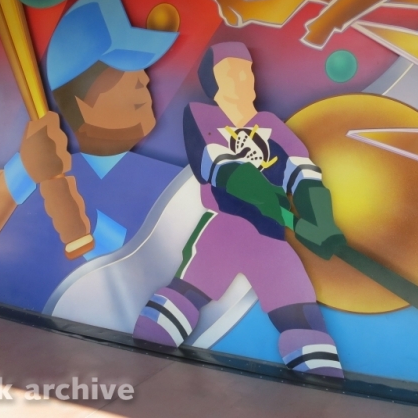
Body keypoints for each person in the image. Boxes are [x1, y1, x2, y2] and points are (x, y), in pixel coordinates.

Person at [133, 41, 347, 378]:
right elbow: (220, 165)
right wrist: (266, 198)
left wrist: (320, 222)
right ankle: (138, 362)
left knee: (301, 316)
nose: (243, 78)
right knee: (182, 299)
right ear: (214, 83)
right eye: (230, 72)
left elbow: (304, 173)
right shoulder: (203, 116)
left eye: (245, 70)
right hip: (224, 231)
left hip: (271, 240)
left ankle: (322, 383)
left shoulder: (272, 125)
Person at [0, 0, 182, 311]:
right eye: (123, 71)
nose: (144, 80)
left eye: (140, 68)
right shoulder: (24, 180)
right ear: (82, 103)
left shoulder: (173, 181)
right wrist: (25, 167)